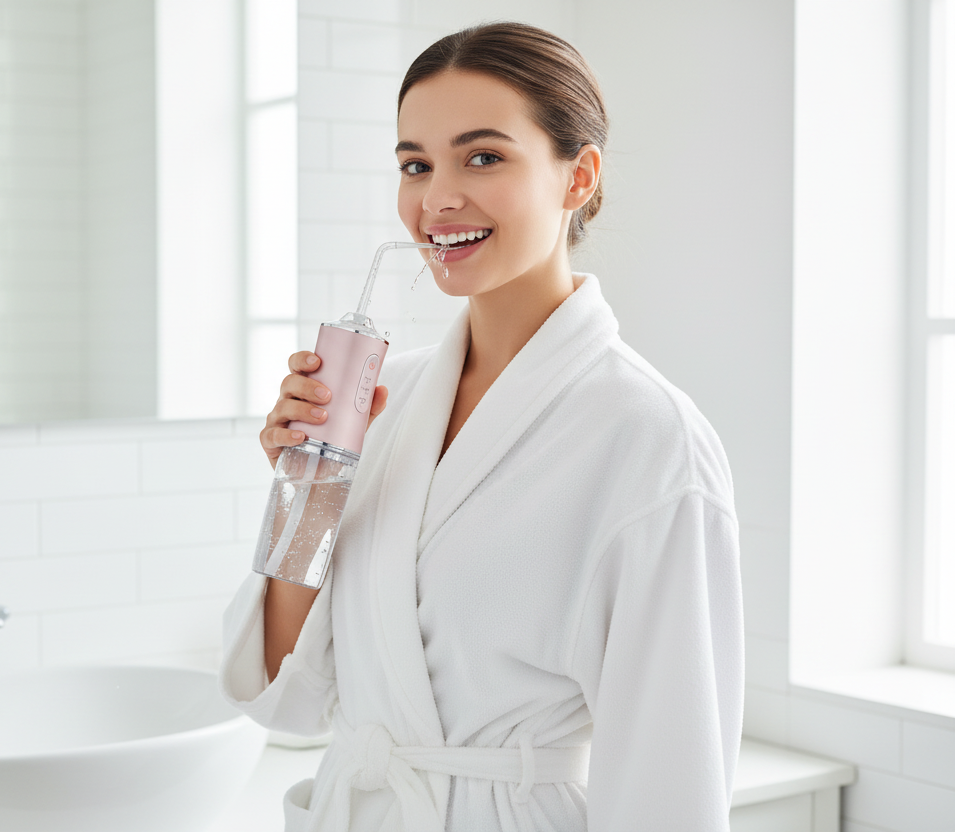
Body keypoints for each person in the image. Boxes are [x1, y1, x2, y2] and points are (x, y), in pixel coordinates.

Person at [220, 22, 743, 832]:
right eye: (415, 164)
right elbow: (286, 698)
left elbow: (671, 781)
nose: (436, 200)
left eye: (484, 156)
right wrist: (307, 496)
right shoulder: (380, 402)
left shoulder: (650, 439)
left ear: (579, 176)